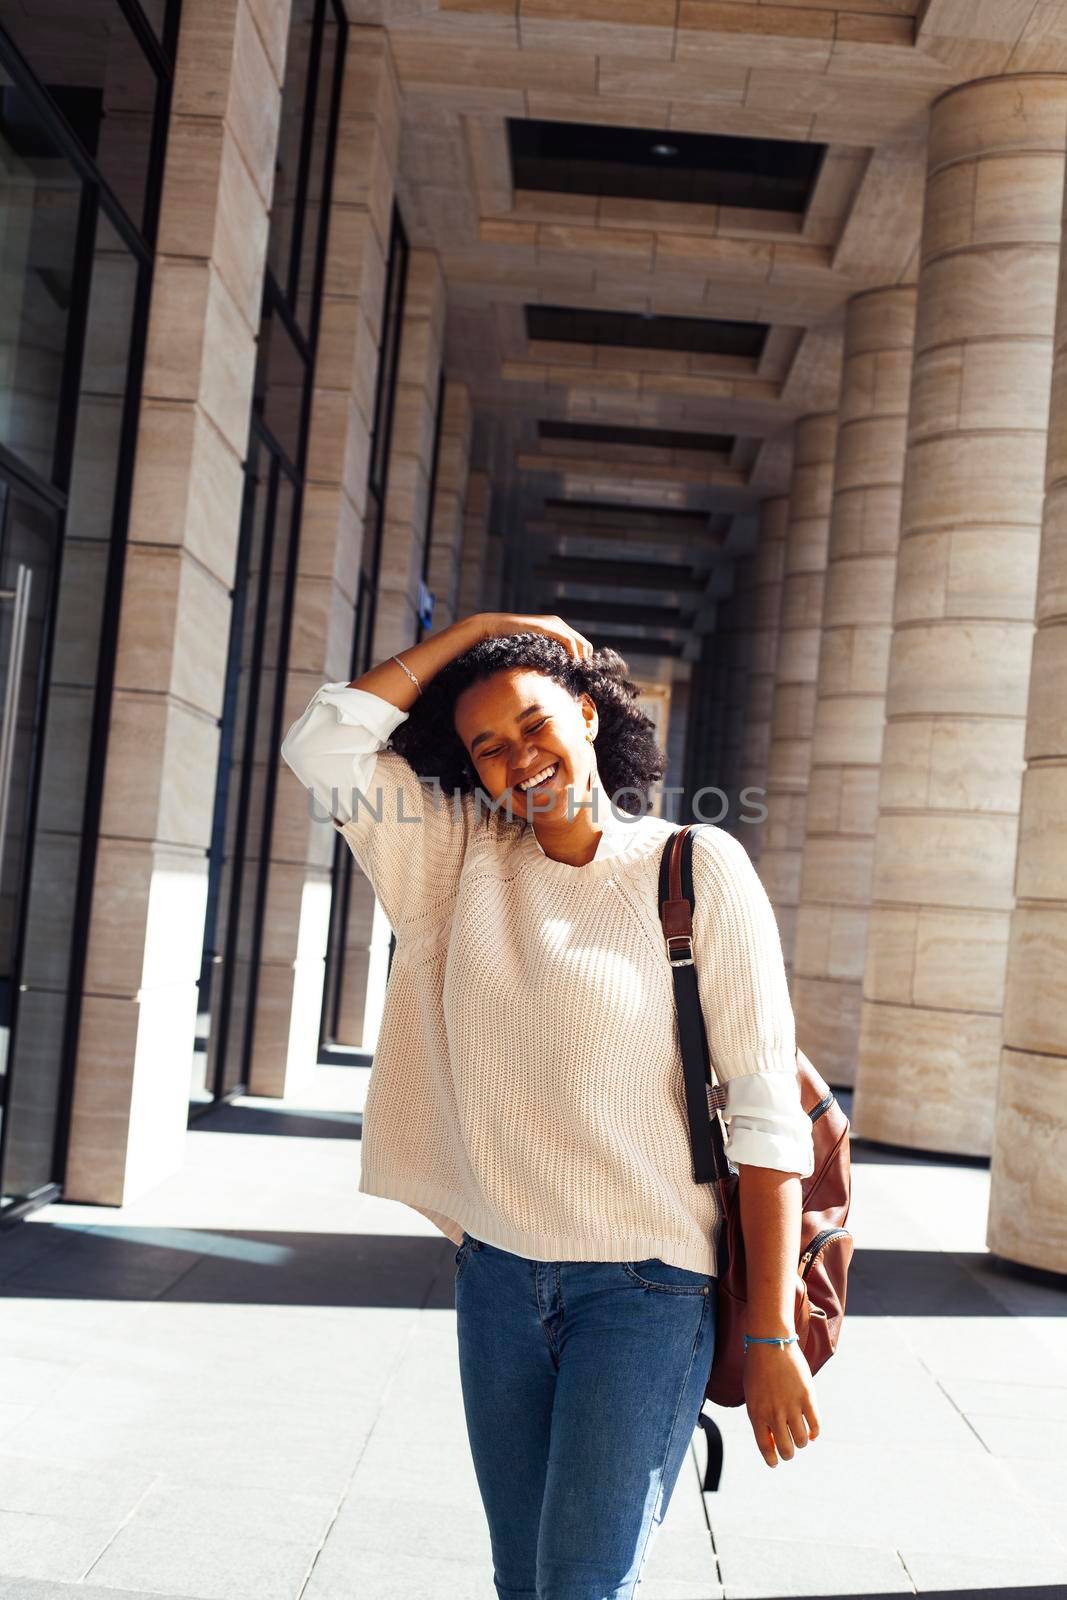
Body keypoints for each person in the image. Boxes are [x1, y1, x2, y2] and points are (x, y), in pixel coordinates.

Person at [280, 610, 821, 1600]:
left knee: (579, 1585)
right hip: (495, 1282)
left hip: (647, 1290)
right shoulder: (452, 866)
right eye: (486, 746)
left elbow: (764, 1113)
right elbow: (322, 741)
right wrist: (483, 630)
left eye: (532, 723)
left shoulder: (694, 868)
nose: (515, 758)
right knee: (522, 1583)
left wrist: (772, 1332)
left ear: (584, 710)